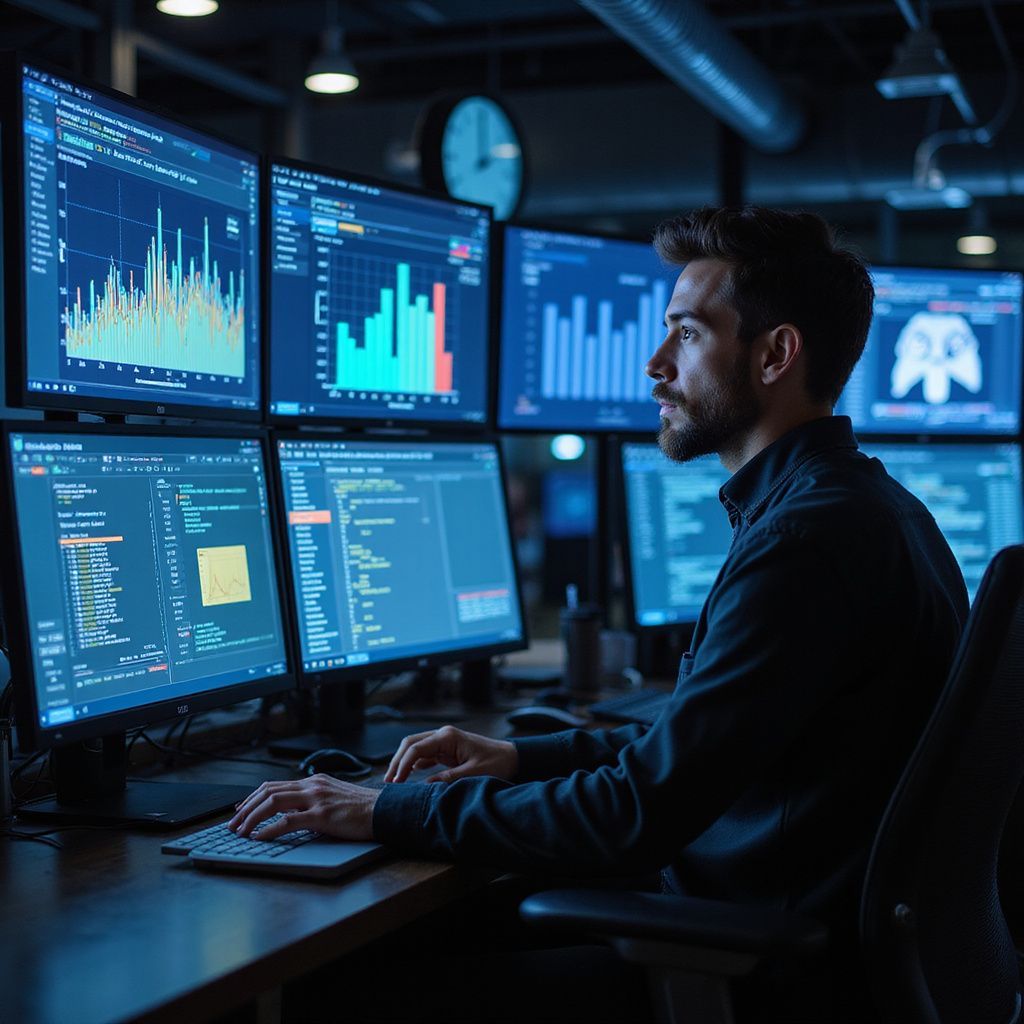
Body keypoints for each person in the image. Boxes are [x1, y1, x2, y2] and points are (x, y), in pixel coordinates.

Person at [231, 207, 968, 1022]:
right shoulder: (867, 509)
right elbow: (694, 746)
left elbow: (636, 814)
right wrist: (516, 758)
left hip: (755, 967)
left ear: (775, 355)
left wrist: (383, 808)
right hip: (787, 926)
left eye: (687, 334)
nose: (656, 364)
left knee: (340, 987)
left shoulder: (805, 541)